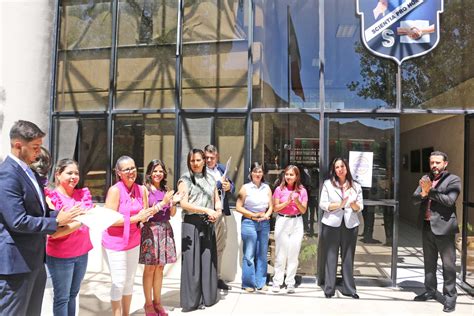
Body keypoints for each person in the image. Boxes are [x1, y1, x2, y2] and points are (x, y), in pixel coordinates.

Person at [0, 120, 80, 316]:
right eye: (35, 147)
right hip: (16, 265)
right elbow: (18, 221)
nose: (39, 152)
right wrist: (57, 222)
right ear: (18, 145)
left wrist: (70, 215)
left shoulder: (28, 172)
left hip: (35, 261)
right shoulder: (7, 175)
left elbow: (40, 211)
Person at [102, 156, 157, 316]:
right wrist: (135, 219)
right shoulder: (115, 190)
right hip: (115, 243)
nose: (131, 172)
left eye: (133, 168)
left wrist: (147, 215)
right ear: (119, 173)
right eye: (126, 169)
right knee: (118, 282)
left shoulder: (141, 189)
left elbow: (144, 214)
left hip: (133, 241)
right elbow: (109, 219)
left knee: (129, 281)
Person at [412, 151, 461, 313]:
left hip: (444, 229)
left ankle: (450, 297)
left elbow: (449, 201)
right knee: (429, 262)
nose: (434, 166)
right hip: (427, 227)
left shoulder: (453, 180)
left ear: (445, 164)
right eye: (432, 162)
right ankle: (430, 290)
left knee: (448, 265)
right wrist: (424, 192)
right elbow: (414, 198)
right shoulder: (426, 179)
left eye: (437, 163)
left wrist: (429, 192)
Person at [45, 158, 94, 316]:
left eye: (76, 173)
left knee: (73, 295)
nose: (74, 176)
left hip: (82, 253)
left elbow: (92, 218)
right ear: (58, 174)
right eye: (69, 173)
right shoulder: (51, 198)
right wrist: (82, 221)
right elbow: (55, 232)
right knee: (62, 298)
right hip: (61, 256)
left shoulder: (82, 195)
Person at [178, 149, 222, 312]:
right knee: (192, 264)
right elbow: (184, 204)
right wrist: (206, 211)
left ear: (204, 160)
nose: (195, 164)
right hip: (191, 224)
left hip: (208, 223)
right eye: (192, 161)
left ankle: (208, 298)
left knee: (207, 261)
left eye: (198, 160)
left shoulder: (211, 178)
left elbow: (216, 200)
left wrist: (216, 212)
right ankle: (191, 302)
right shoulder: (184, 179)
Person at [140, 159, 180, 316]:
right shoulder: (145, 190)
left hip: (165, 229)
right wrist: (163, 202)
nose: (158, 173)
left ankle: (158, 302)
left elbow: (173, 214)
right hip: (150, 230)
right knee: (149, 268)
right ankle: (148, 304)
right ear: (150, 173)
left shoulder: (166, 189)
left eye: (160, 171)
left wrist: (173, 203)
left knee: (160, 267)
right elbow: (144, 214)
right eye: (155, 171)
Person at [319, 157, 363, 299]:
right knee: (331, 256)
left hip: (350, 225)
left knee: (348, 257)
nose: (340, 169)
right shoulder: (328, 184)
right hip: (332, 224)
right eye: (337, 167)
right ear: (334, 170)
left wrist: (353, 204)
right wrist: (340, 204)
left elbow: (359, 207)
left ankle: (349, 288)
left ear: (347, 168)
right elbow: (323, 204)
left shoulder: (356, 185)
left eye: (342, 166)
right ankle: (329, 288)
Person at [235, 162, 273, 292]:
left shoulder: (267, 188)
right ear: (251, 173)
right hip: (249, 222)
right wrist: (253, 215)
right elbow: (238, 207)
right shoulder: (245, 188)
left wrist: (267, 215)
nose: (258, 174)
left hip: (264, 223)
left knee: (262, 253)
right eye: (255, 171)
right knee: (249, 253)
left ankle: (261, 282)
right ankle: (248, 283)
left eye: (260, 171)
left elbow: (271, 206)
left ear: (263, 173)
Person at [271, 165, 308, 294]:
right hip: (282, 220)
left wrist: (297, 201)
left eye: (292, 174)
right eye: (287, 174)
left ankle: (290, 282)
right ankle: (277, 281)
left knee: (293, 254)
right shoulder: (279, 189)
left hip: (297, 222)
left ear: (297, 176)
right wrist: (287, 202)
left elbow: (303, 210)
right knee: (280, 254)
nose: (288, 177)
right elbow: (275, 208)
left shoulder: (302, 191)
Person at [203, 144, 235, 290]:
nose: (209, 160)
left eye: (212, 157)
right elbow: (204, 187)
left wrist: (229, 186)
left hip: (220, 213)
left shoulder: (221, 168)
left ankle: (217, 277)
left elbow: (230, 184)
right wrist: (218, 184)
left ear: (217, 157)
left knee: (220, 246)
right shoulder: (200, 171)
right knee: (205, 247)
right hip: (206, 213)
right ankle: (206, 277)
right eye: (206, 157)